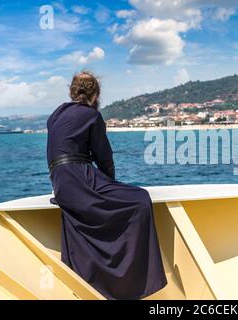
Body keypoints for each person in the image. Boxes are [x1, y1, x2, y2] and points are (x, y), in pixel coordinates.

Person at [46, 71, 167, 300]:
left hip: (61, 181)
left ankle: (95, 282)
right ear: (96, 94)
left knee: (100, 209)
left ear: (72, 90)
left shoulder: (56, 114)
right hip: (78, 177)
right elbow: (104, 157)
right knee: (139, 199)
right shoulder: (92, 116)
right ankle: (129, 282)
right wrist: (110, 183)